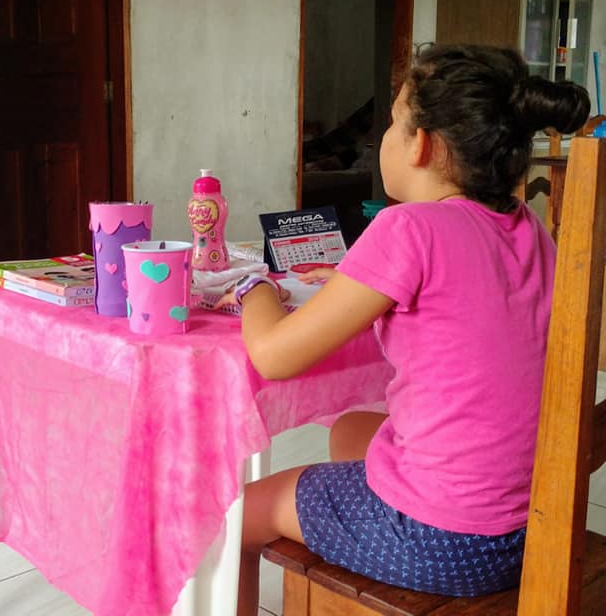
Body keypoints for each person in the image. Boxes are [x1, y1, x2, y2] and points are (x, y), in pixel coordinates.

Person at [229, 44, 590, 616]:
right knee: (351, 430)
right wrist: (354, 280)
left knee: (244, 512)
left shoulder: (407, 228)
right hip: (527, 529)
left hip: (440, 540)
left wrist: (255, 287)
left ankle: (368, 538)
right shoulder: (530, 228)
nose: (386, 140)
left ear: (421, 144)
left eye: (394, 123)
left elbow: (273, 355)